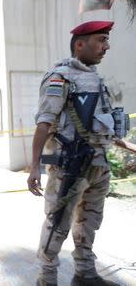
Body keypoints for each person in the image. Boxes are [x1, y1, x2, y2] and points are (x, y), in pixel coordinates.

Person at [27, 21, 135, 286]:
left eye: (107, 40)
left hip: (99, 165)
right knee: (57, 224)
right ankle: (47, 279)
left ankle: (85, 274)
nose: (106, 46)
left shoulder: (96, 79)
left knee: (89, 222)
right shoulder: (60, 76)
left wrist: (129, 146)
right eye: (101, 39)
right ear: (80, 44)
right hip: (69, 166)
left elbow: (101, 125)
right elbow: (44, 123)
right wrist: (34, 167)